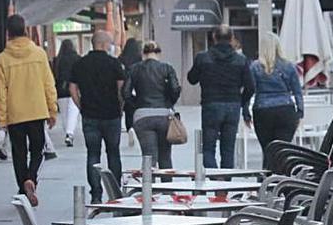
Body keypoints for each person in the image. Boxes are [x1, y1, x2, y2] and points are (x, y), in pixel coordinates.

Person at [0, 14, 57, 207]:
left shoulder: (2, 59)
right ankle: (32, 178)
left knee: (19, 153)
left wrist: (1, 118)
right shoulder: (39, 54)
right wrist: (52, 110)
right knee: (37, 150)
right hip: (37, 110)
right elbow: (49, 84)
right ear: (26, 31)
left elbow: (0, 91)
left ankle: (23, 188)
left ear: (8, 34)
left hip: (15, 113)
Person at [70, 30, 126, 203]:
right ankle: (115, 192)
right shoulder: (114, 63)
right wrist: (120, 107)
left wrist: (81, 106)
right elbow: (121, 88)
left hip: (90, 115)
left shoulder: (80, 64)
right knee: (113, 153)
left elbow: (72, 88)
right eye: (109, 43)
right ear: (103, 44)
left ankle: (96, 194)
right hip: (111, 115)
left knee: (93, 154)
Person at [187, 25, 254, 169]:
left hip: (210, 105)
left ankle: (214, 183)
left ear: (214, 37)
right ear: (231, 39)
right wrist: (241, 102)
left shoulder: (203, 58)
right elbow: (250, 86)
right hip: (233, 106)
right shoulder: (241, 60)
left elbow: (191, 79)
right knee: (228, 149)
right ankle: (225, 185)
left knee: (208, 148)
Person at [248, 32, 303, 170]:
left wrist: (245, 112)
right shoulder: (289, 66)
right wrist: (300, 111)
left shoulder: (254, 67)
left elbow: (249, 91)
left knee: (267, 149)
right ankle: (282, 181)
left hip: (262, 109)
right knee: (283, 151)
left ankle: (266, 181)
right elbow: (297, 91)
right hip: (285, 109)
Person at [123, 40, 181, 169]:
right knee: (165, 156)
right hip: (164, 115)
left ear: (143, 53)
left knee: (148, 157)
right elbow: (175, 89)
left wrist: (137, 104)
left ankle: (149, 187)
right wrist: (169, 103)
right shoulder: (167, 68)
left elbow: (126, 93)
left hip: (142, 116)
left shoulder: (134, 69)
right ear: (159, 53)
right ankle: (167, 188)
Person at [52, 39, 82, 147]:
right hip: (74, 88)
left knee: (64, 114)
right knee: (73, 113)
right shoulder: (78, 58)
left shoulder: (57, 60)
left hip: (61, 90)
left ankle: (68, 133)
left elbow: (54, 75)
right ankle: (70, 133)